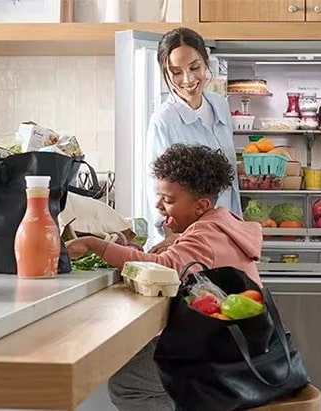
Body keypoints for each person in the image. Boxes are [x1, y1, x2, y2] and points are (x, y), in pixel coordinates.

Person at [66, 144, 262, 411]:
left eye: (168, 200)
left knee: (130, 381)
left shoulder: (206, 235)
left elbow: (165, 268)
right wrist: (177, 239)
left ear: (200, 206)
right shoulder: (220, 224)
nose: (159, 206)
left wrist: (96, 245)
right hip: (241, 346)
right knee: (141, 358)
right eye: (159, 197)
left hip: (226, 357)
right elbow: (191, 260)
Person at [146, 27, 242, 254]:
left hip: (229, 231)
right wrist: (170, 236)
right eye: (176, 72)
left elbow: (224, 169)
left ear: (206, 61)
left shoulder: (219, 105)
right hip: (192, 240)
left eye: (195, 67)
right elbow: (158, 189)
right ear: (166, 74)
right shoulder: (164, 119)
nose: (188, 79)